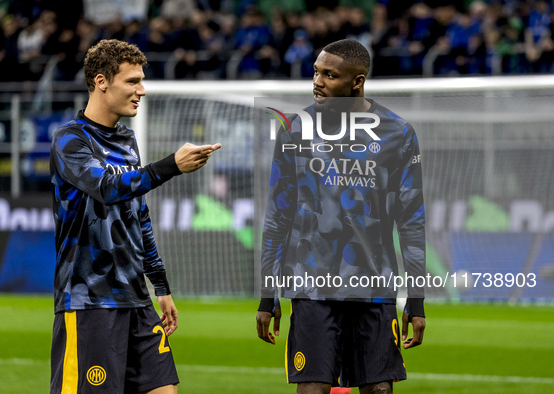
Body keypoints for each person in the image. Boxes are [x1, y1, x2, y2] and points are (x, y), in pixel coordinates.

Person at [49, 39, 221, 394]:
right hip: (89, 300)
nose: (141, 90)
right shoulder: (70, 140)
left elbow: (138, 214)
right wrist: (170, 165)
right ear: (101, 82)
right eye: (132, 81)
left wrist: (159, 284)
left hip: (135, 298)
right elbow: (107, 188)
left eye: (141, 81)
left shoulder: (127, 140)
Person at [256, 38, 426, 394]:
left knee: (379, 390)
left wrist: (416, 297)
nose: (317, 81)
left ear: (357, 81)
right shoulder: (295, 129)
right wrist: (267, 294)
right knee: (313, 389)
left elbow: (411, 219)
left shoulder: (398, 133)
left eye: (330, 75)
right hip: (311, 286)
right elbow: (278, 216)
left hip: (374, 288)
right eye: (316, 72)